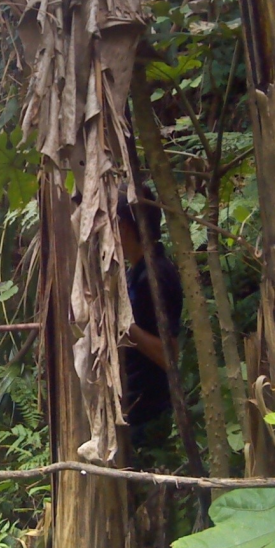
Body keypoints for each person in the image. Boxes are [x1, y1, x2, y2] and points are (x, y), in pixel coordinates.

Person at [117, 185, 183, 450]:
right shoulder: (137, 272)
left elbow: (168, 355)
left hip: (148, 413)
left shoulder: (155, 277)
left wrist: (124, 325)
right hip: (133, 407)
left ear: (123, 228)